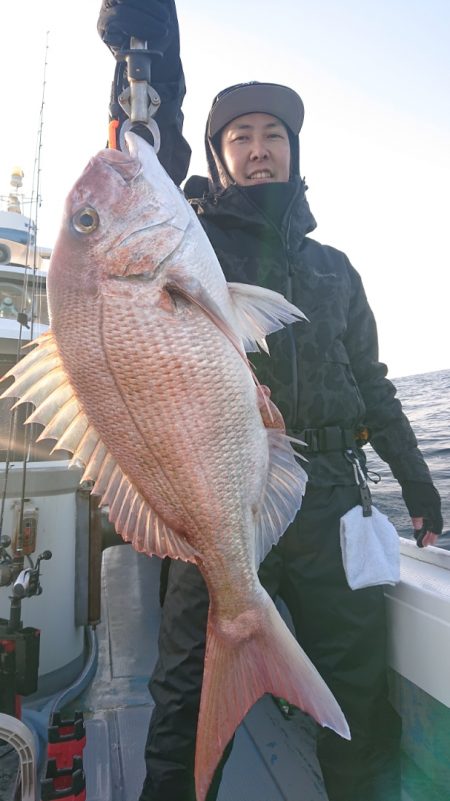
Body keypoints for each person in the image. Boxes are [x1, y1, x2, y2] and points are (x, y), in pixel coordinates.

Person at [97, 3, 444, 801]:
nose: (259, 149)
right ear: (218, 159)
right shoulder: (188, 240)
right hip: (219, 494)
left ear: (293, 152)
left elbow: (375, 383)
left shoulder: (337, 268)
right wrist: (146, 53)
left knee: (355, 688)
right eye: (241, 138)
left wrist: (416, 483)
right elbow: (145, 149)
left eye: (274, 136)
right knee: (185, 694)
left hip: (326, 496)